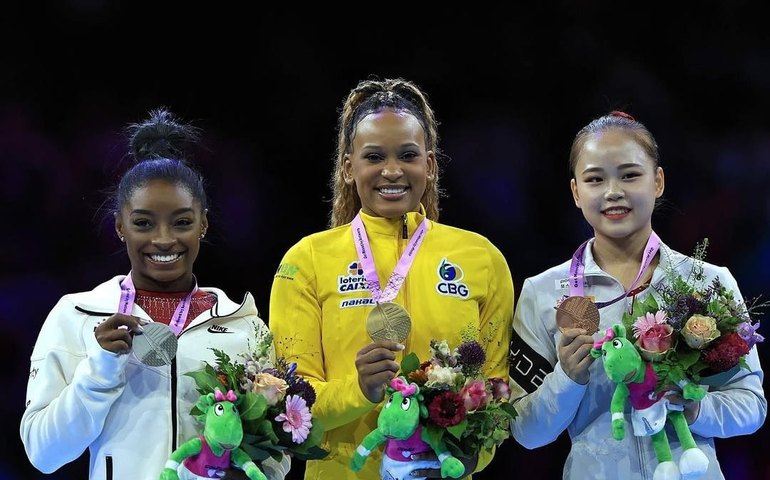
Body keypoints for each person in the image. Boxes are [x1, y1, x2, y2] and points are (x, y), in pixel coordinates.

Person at [19, 108, 290, 480]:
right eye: (143, 223)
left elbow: (278, 451)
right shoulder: (78, 315)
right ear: (120, 227)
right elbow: (42, 452)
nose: (164, 239)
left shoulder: (246, 327)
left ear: (203, 224)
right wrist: (98, 370)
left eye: (182, 222)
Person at [268, 77, 514, 480]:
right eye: (374, 156)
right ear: (349, 167)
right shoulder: (306, 260)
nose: (392, 170)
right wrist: (359, 390)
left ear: (429, 165)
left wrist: (466, 459)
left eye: (408, 155)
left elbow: (497, 395)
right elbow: (291, 405)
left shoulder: (482, 258)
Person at [508, 111, 767, 479]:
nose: (613, 191)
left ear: (658, 181)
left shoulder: (708, 283)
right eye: (595, 179)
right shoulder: (542, 292)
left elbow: (751, 406)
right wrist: (566, 378)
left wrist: (694, 410)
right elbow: (527, 432)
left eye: (630, 175)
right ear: (576, 192)